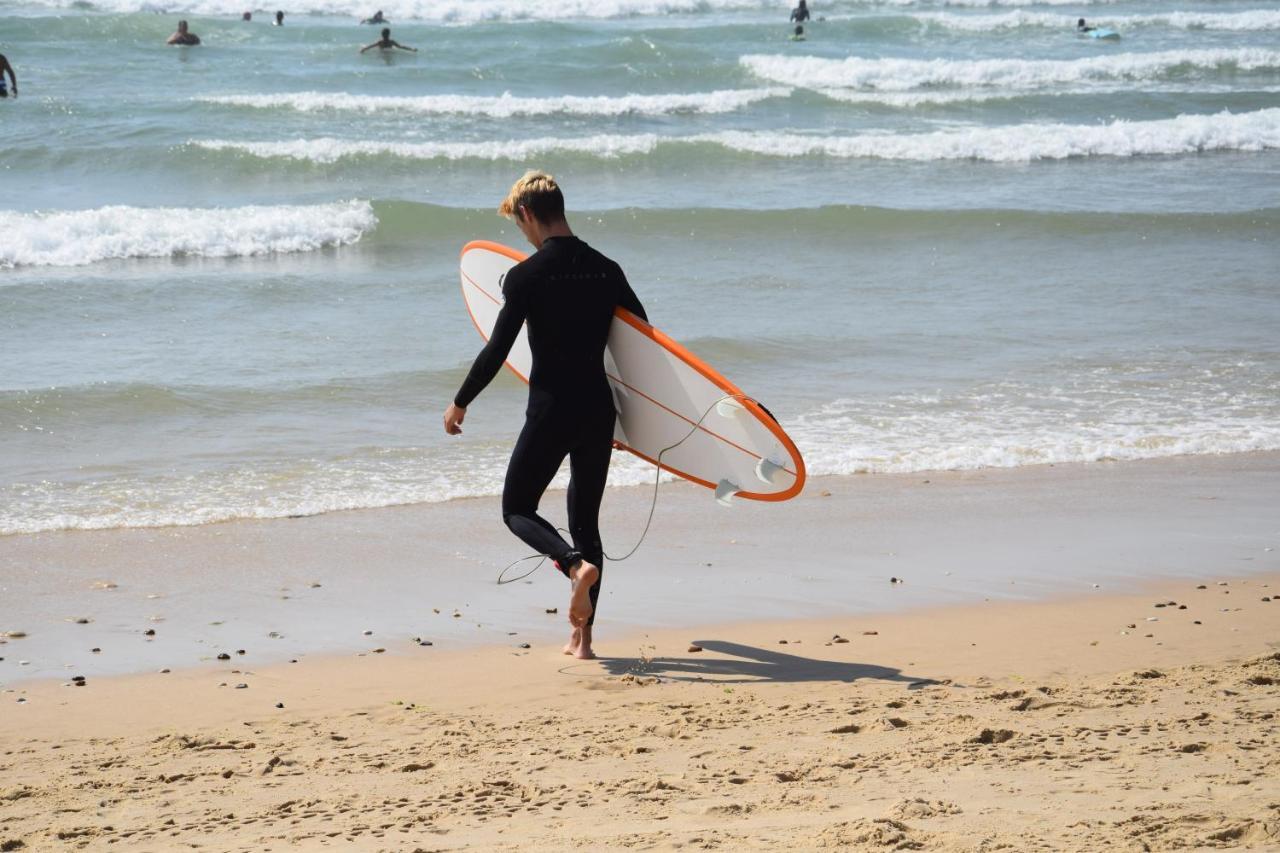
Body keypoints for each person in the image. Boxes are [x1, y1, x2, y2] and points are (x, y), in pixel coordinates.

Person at [443, 172, 647, 660]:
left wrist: (461, 400)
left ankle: (574, 568)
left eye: (519, 223)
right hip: (598, 409)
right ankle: (584, 641)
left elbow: (498, 350)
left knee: (516, 507)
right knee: (586, 521)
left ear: (529, 215)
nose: (522, 234)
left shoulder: (527, 276)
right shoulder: (606, 269)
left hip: (551, 410)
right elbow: (642, 349)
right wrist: (633, 422)